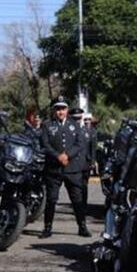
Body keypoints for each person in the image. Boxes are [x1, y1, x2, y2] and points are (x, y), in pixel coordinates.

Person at [39, 100, 90, 238]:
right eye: (58, 109)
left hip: (72, 168)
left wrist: (67, 155)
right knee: (51, 200)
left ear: (67, 110)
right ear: (54, 111)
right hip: (54, 169)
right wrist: (57, 156)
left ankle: (82, 226)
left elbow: (80, 143)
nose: (60, 112)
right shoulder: (47, 125)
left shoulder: (75, 125)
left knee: (77, 199)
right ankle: (47, 228)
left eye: (63, 109)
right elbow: (45, 144)